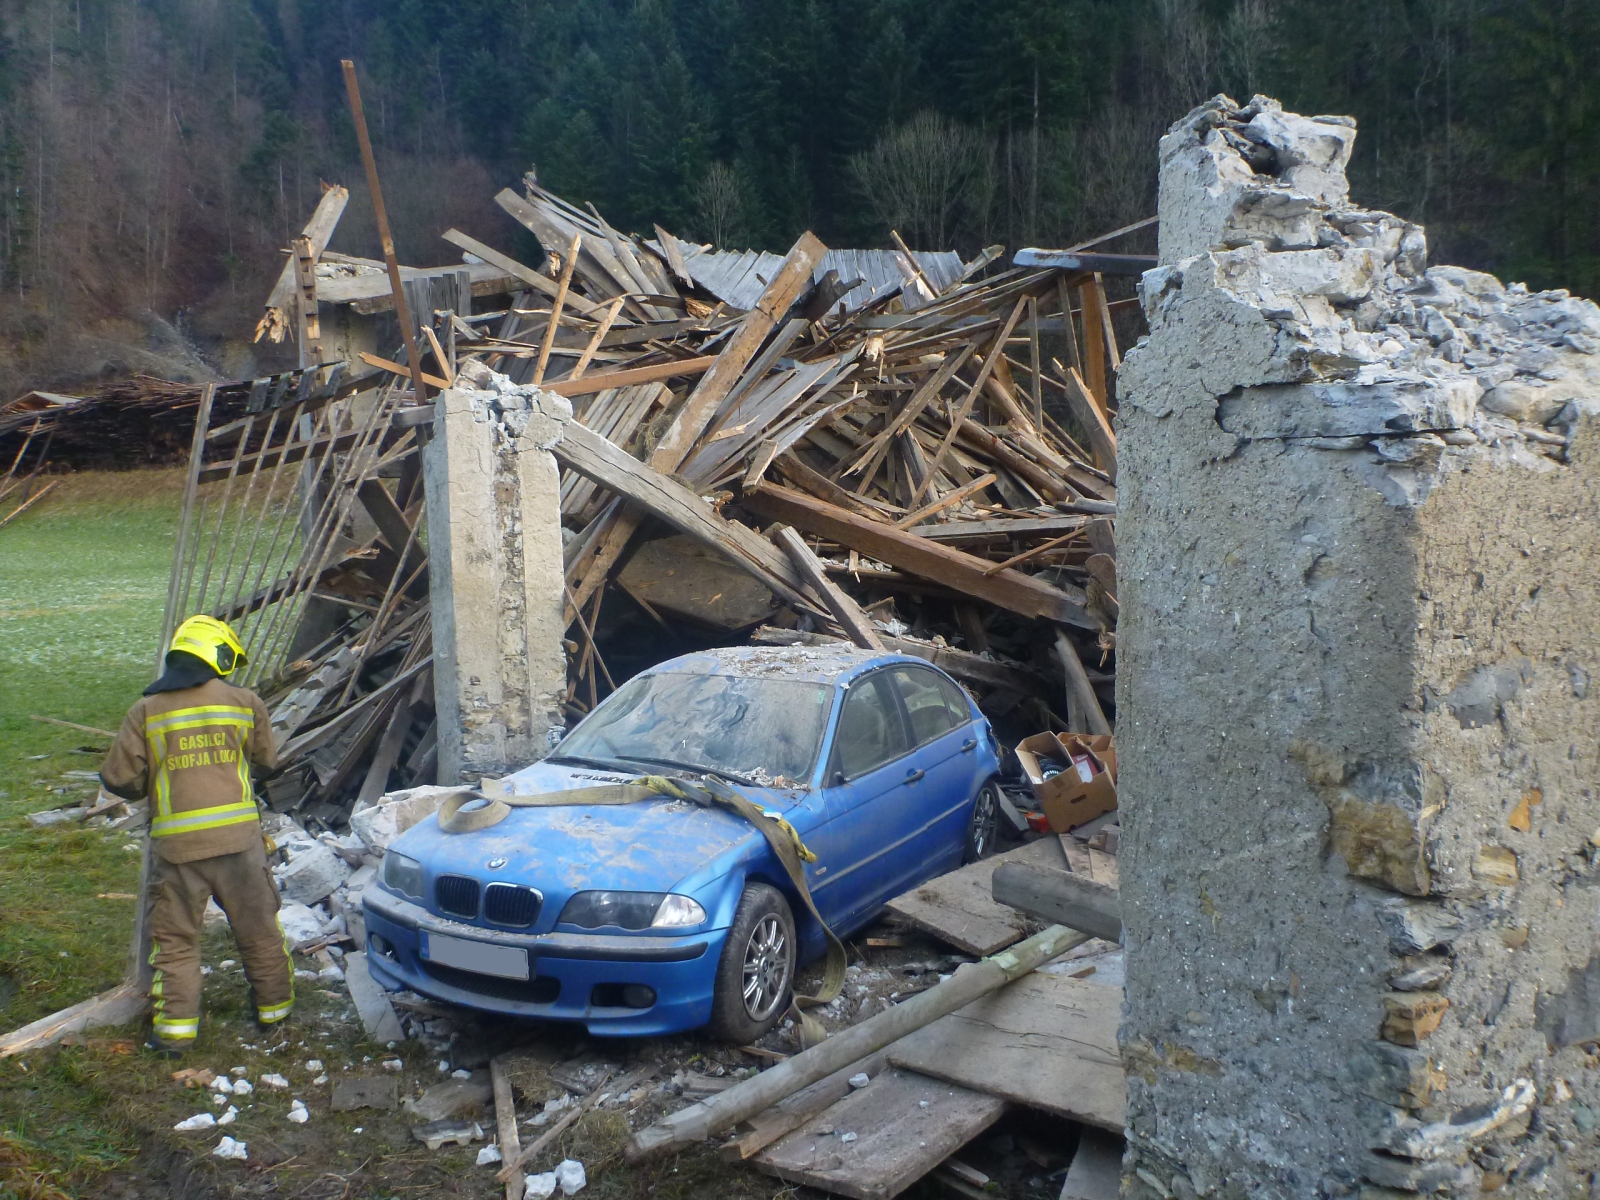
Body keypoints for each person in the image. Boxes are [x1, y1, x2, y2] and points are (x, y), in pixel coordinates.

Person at [100, 615, 292, 1055]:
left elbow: (119, 779)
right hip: (241, 845)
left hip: (179, 851)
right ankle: (275, 1012)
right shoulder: (245, 702)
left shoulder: (146, 711)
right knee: (259, 927)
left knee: (175, 940)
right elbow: (267, 761)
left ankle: (175, 1033)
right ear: (218, 657)